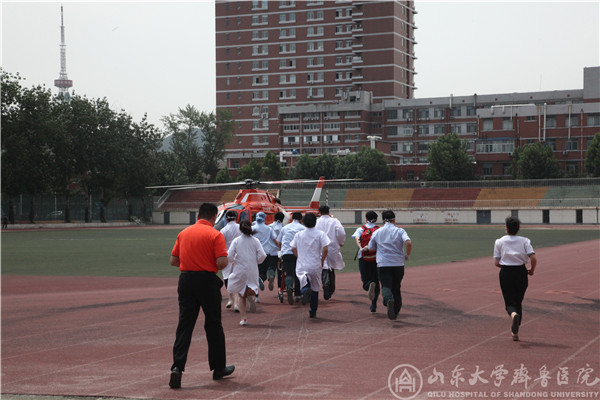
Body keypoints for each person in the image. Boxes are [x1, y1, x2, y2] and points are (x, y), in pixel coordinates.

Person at [168, 203, 235, 389]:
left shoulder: (184, 233)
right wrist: (209, 261)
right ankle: (218, 368)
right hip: (206, 281)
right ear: (214, 216)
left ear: (198, 215)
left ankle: (177, 368)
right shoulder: (215, 234)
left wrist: (192, 261)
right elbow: (221, 262)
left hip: (186, 280)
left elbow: (173, 260)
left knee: (184, 325)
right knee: (213, 324)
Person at [493, 216, 537, 341]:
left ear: (506, 228)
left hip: (506, 272)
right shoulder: (525, 241)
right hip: (521, 272)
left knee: (509, 302)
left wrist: (506, 264)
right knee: (518, 301)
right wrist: (531, 270)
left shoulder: (499, 241)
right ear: (518, 229)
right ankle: (515, 332)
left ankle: (513, 315)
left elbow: (496, 263)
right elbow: (533, 258)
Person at [364, 210, 411, 321]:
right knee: (397, 287)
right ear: (394, 219)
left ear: (382, 220)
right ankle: (395, 311)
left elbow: (371, 247)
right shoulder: (400, 231)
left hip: (383, 264)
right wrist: (407, 255)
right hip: (398, 264)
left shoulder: (377, 232)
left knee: (385, 286)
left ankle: (388, 299)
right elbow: (408, 242)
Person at [227, 220, 267, 326]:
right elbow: (263, 255)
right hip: (252, 268)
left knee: (240, 294)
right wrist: (256, 261)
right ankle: (252, 297)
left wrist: (234, 262)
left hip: (240, 268)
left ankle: (244, 318)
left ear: (240, 228)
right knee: (252, 286)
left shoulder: (236, 241)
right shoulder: (255, 240)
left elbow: (229, 255)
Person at [291, 212, 330, 318]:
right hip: (315, 263)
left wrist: (299, 256)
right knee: (316, 288)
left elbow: (293, 248)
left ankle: (305, 289)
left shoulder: (298, 234)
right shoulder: (321, 234)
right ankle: (313, 311)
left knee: (302, 278)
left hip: (303, 264)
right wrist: (322, 260)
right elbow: (326, 248)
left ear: (303, 222)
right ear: (315, 222)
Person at [352, 211, 380, 313]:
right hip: (376, 258)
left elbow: (356, 238)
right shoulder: (378, 230)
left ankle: (368, 285)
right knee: (376, 281)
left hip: (363, 257)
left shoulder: (361, 229)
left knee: (365, 280)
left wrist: (361, 248)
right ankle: (373, 305)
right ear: (376, 219)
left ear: (366, 219)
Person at [315, 205, 346, 300]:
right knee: (331, 267)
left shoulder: (317, 221)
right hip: (332, 246)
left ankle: (325, 283)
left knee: (323, 265)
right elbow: (341, 232)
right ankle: (331, 287)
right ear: (329, 212)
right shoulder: (334, 221)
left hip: (320, 246)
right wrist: (340, 242)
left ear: (319, 212)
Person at [277, 212, 305, 305]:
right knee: (298, 273)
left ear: (292, 218)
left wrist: (281, 251)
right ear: (301, 220)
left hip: (286, 252)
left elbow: (279, 242)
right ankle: (297, 294)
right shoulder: (303, 229)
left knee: (288, 273)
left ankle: (289, 287)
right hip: (298, 253)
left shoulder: (285, 228)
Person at [252, 212, 280, 293]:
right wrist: (281, 248)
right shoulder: (269, 229)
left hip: (255, 253)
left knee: (258, 272)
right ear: (264, 218)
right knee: (268, 268)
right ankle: (270, 276)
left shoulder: (252, 228)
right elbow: (275, 240)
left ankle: (256, 290)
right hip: (266, 252)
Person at [220, 211, 242, 310]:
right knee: (237, 278)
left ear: (226, 219)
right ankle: (236, 302)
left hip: (227, 256)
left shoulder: (223, 230)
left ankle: (230, 299)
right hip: (239, 256)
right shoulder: (240, 228)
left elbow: (220, 245)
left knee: (227, 278)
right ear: (236, 218)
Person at [268, 212, 285, 291]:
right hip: (280, 250)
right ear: (282, 219)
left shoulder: (269, 227)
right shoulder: (283, 227)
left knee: (271, 266)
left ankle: (271, 275)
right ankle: (280, 287)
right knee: (280, 269)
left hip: (271, 250)